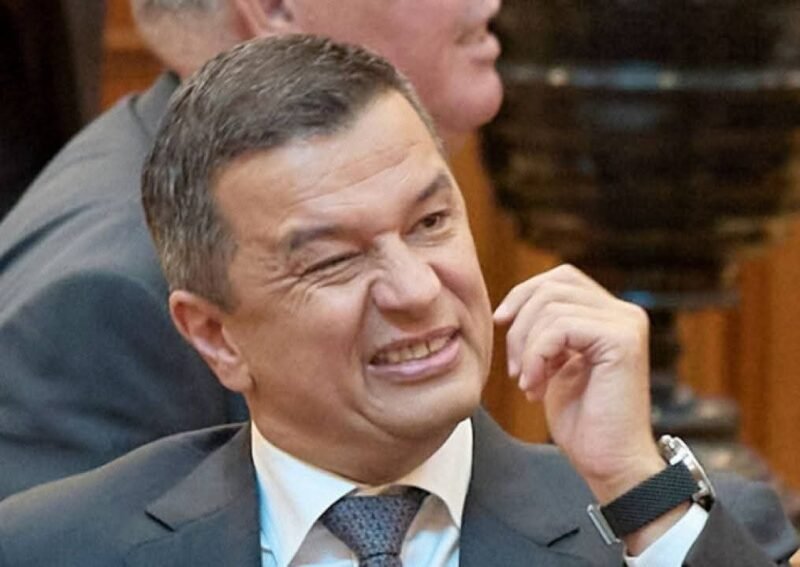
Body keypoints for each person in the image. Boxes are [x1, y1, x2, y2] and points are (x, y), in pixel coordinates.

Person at [0, 35, 795, 566]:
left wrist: (638, 489)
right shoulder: (55, 547)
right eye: (337, 260)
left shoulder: (673, 533)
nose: (418, 290)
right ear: (214, 334)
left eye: (431, 222)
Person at [0, 0, 503, 499]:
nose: (488, 3)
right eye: (333, 260)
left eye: (431, 222)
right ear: (274, 9)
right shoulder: (106, 299)